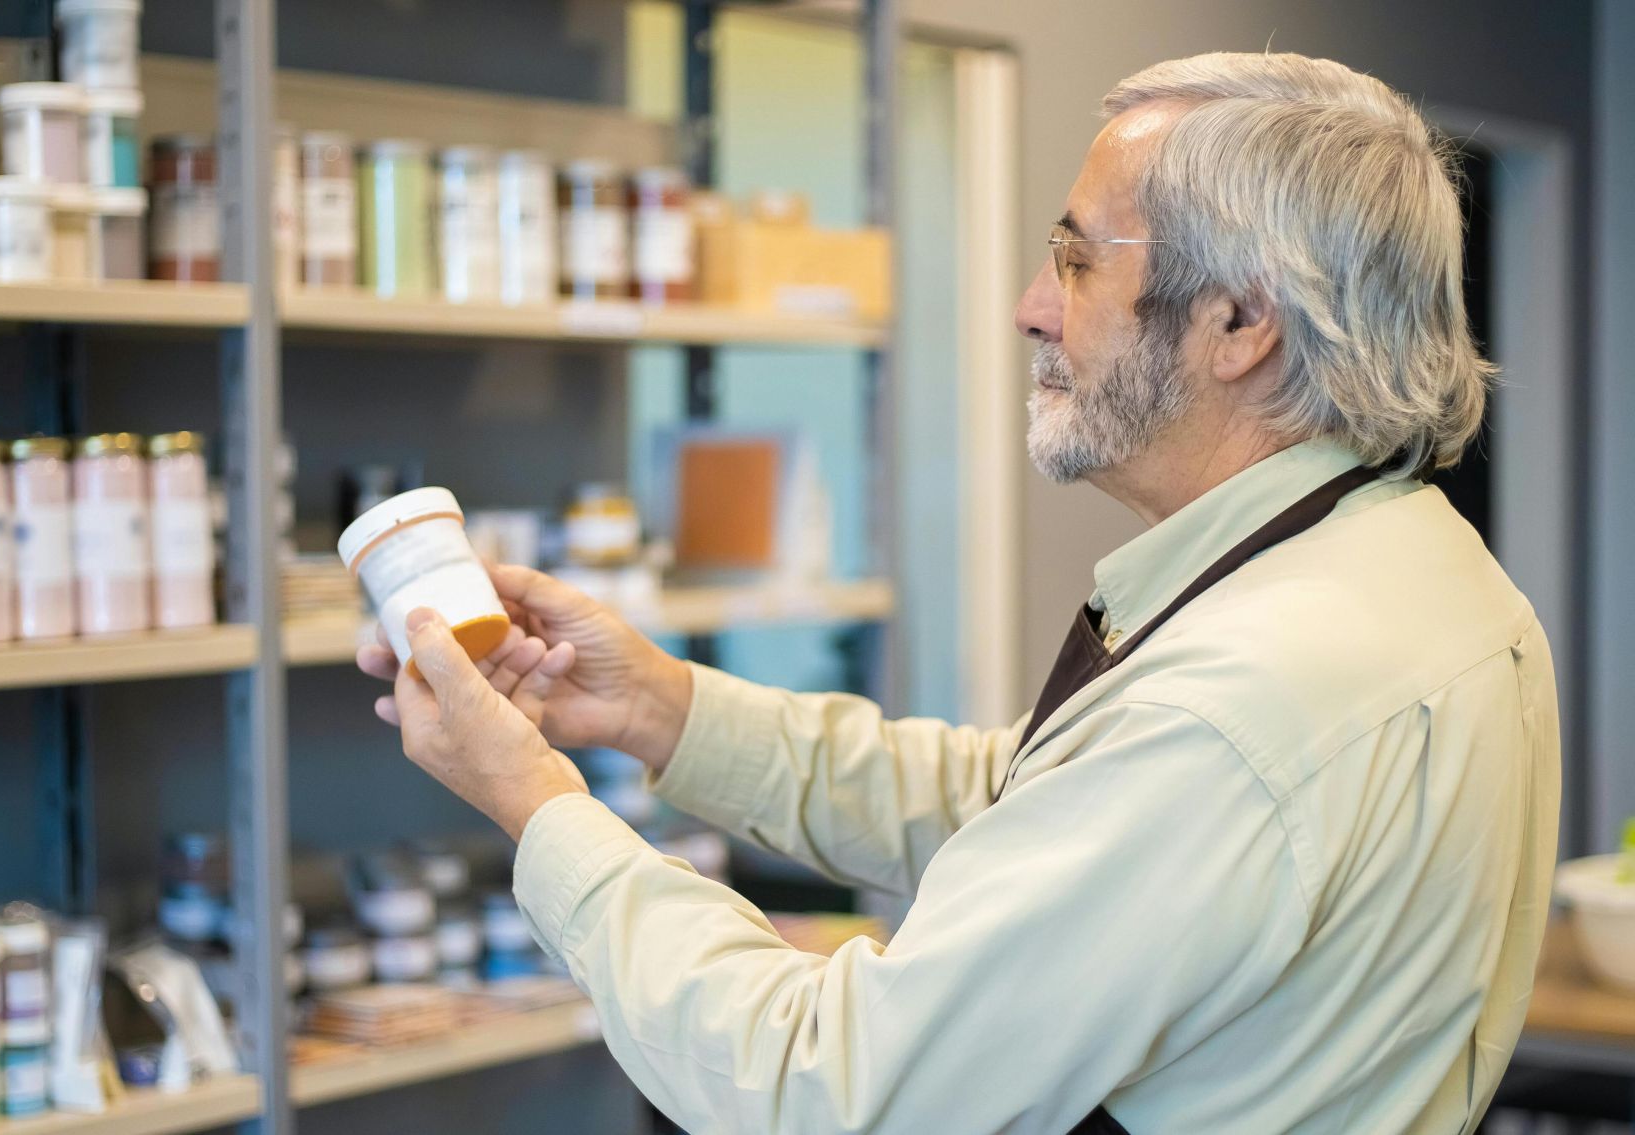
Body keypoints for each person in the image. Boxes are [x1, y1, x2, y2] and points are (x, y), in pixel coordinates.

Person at [356, 51, 1560, 1133]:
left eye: (1077, 259)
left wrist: (532, 801)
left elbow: (829, 1090)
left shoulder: (1237, 707)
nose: (1033, 305)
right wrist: (656, 707)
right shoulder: (1420, 574)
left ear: (1237, 320)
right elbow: (1032, 814)